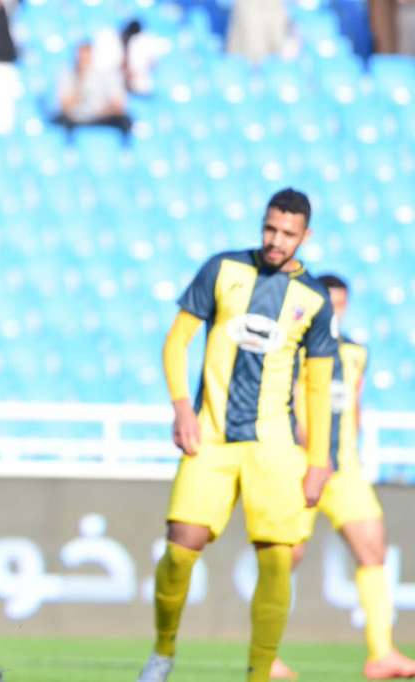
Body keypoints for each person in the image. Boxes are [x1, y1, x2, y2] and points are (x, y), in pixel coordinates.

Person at [137, 188, 339, 682]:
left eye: (287, 234)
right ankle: (162, 654)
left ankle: (260, 671)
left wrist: (318, 460)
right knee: (181, 546)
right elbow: (177, 340)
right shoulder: (223, 269)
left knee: (276, 559)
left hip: (274, 446)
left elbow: (317, 385)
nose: (275, 240)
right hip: (211, 434)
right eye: (270, 228)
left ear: (304, 236)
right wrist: (182, 407)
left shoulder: (313, 298)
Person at [271, 275, 415, 681]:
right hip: (300, 465)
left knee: (374, 551)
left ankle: (381, 654)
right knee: (286, 556)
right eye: (326, 303)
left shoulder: (355, 352)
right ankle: (266, 653)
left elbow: (355, 405)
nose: (333, 311)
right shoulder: (293, 349)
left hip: (345, 467)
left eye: (339, 304)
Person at [55, 41, 132, 136]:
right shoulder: (68, 73)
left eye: (87, 55)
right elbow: (65, 106)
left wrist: (100, 112)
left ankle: (125, 149)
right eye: (80, 56)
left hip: (102, 117)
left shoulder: (107, 74)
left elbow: (118, 106)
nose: (83, 59)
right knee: (61, 121)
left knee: (125, 121)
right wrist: (80, 81)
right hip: (76, 118)